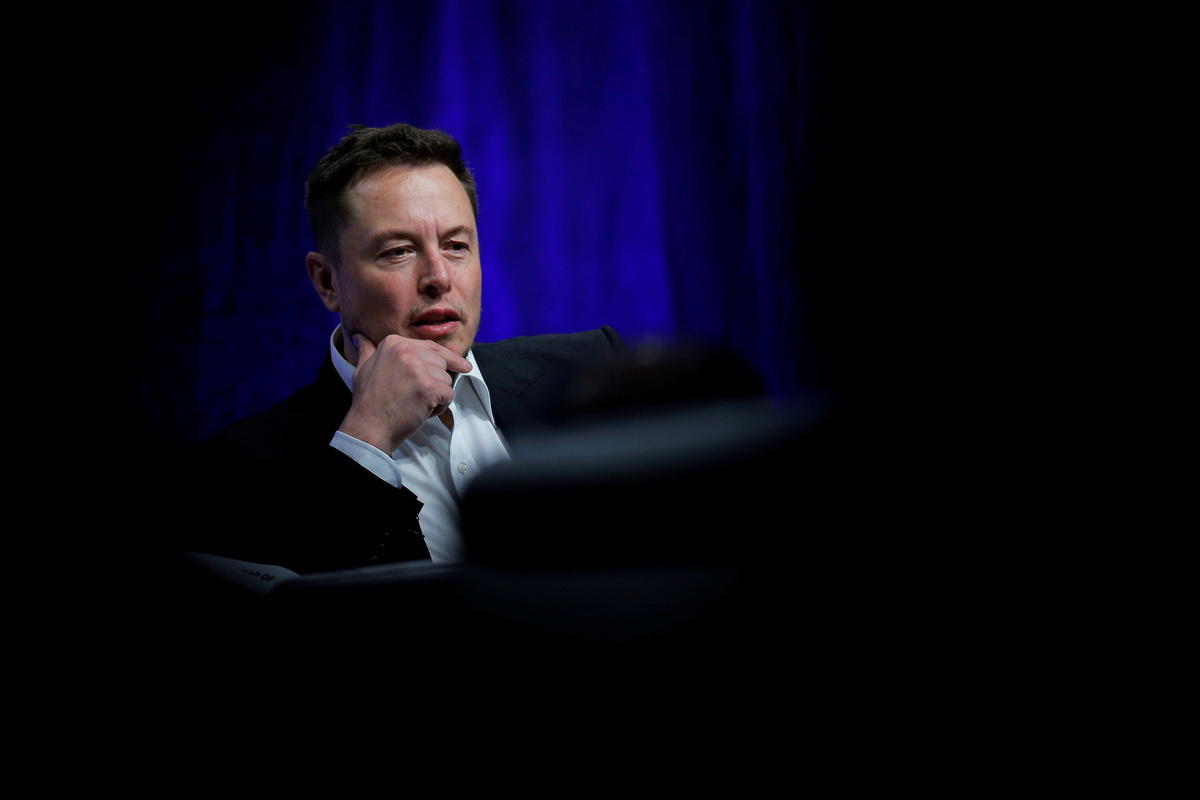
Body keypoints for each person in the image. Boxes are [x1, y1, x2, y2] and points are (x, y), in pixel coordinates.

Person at [181, 123, 625, 577]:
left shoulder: (593, 369)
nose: (439, 277)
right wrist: (366, 438)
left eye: (456, 246)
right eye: (398, 252)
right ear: (328, 282)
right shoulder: (239, 469)